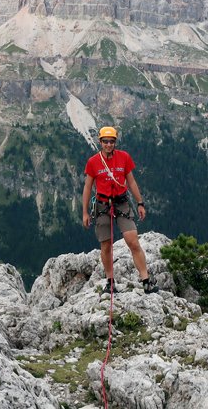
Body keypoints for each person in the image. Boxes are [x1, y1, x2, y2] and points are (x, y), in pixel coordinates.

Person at [81, 126, 156, 294]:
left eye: (111, 141)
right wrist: (85, 212)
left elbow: (131, 182)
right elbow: (87, 187)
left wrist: (140, 203)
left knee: (133, 241)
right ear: (100, 142)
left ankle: (146, 280)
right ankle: (110, 281)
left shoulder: (124, 157)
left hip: (121, 203)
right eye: (105, 141)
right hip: (102, 205)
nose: (108, 144)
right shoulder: (93, 162)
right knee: (106, 245)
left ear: (115, 142)